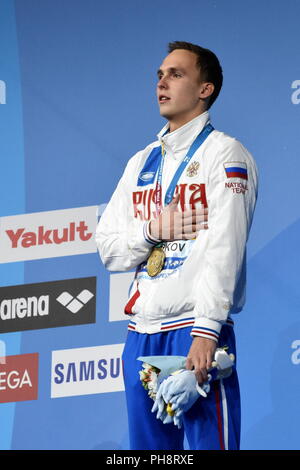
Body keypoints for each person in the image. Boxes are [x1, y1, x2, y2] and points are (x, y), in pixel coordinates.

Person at [95, 41, 258, 450]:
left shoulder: (225, 154)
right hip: (141, 332)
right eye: (159, 75)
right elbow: (110, 250)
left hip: (194, 329)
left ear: (206, 89)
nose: (161, 83)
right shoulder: (141, 161)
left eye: (176, 74)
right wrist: (154, 229)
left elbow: (227, 248)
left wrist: (207, 332)